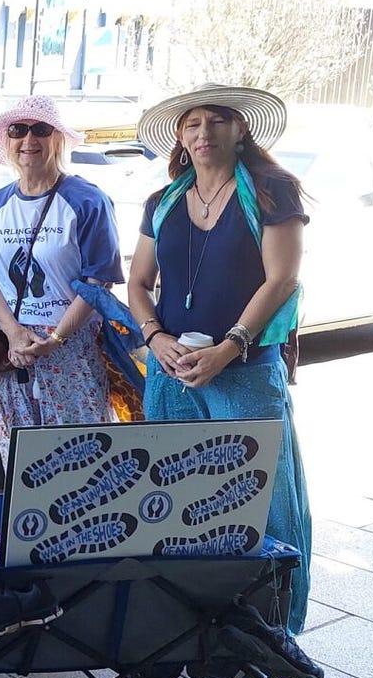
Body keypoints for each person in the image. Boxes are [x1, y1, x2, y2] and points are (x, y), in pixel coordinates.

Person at [128, 83, 313, 635]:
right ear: (180, 138)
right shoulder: (160, 203)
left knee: (263, 500)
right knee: (179, 499)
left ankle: (273, 630)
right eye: (192, 124)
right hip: (172, 374)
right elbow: (139, 284)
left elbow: (282, 280)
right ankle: (189, 621)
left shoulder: (274, 191)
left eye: (216, 122)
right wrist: (157, 337)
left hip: (247, 373)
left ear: (240, 130)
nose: (203, 133)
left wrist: (230, 347)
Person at [0, 96, 124, 468]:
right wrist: (15, 333)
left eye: (41, 129)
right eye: (17, 130)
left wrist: (55, 339)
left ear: (58, 139)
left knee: (85, 454)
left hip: (73, 344)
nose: (28, 140)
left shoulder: (87, 201)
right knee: (24, 461)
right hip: (12, 347)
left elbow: (99, 280)